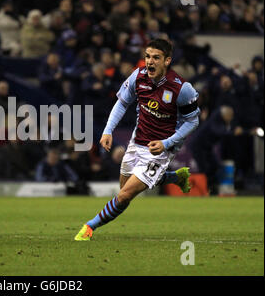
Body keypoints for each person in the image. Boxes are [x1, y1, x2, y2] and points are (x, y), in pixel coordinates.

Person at [75, 39, 199, 241]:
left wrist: (167, 143)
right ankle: (176, 177)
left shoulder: (181, 89)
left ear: (167, 61)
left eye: (156, 57)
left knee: (124, 196)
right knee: (123, 194)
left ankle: (89, 227)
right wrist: (108, 131)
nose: (150, 61)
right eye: (147, 56)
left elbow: (192, 122)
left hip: (161, 149)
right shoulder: (138, 76)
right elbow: (122, 103)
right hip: (136, 142)